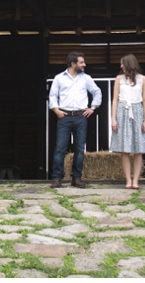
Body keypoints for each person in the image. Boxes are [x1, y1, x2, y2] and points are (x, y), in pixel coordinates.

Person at [48, 51, 102, 188]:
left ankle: (76, 178)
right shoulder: (59, 78)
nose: (85, 64)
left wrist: (92, 108)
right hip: (64, 117)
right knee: (60, 148)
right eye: (81, 62)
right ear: (73, 64)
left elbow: (97, 92)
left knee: (79, 149)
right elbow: (52, 96)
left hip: (80, 117)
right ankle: (56, 178)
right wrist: (56, 111)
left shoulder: (86, 78)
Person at [109, 54, 145, 190]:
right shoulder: (119, 79)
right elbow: (115, 100)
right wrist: (113, 118)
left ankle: (136, 180)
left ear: (128, 64)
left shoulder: (143, 80)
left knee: (139, 149)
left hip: (137, 111)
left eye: (122, 64)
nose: (120, 66)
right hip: (123, 111)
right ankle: (128, 180)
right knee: (125, 149)